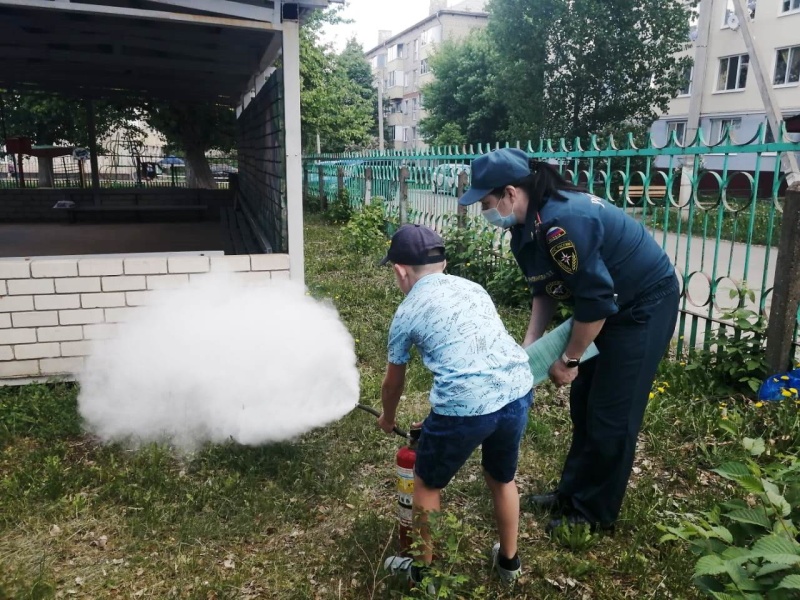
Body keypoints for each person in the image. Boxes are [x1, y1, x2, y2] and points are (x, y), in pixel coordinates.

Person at [458, 148, 679, 533]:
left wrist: (570, 360)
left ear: (511, 193)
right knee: (584, 405)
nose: (484, 211)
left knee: (613, 413)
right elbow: (544, 291)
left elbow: (594, 303)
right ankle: (571, 494)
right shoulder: (525, 229)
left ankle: (593, 514)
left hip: (642, 305)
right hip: (605, 305)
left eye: (487, 202)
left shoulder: (563, 222)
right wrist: (529, 346)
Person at [376, 224, 534, 588]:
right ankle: (509, 562)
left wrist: (388, 418)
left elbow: (393, 383)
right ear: (443, 262)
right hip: (516, 390)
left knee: (427, 485)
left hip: (465, 407)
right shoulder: (473, 288)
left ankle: (423, 573)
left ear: (400, 270)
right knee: (502, 478)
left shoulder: (407, 311)